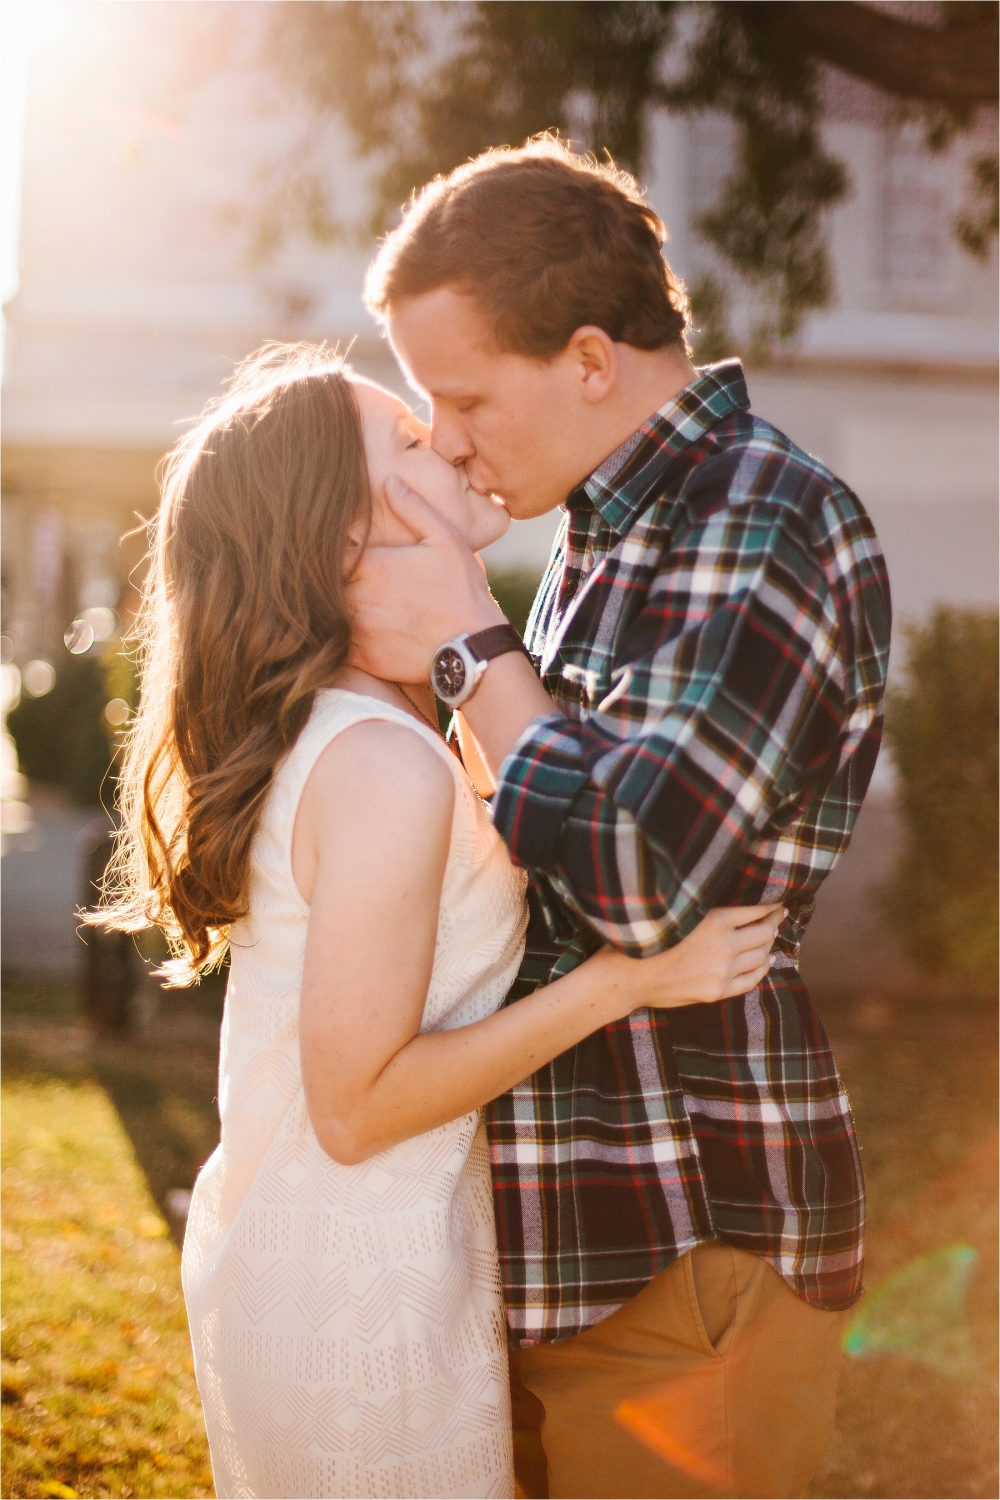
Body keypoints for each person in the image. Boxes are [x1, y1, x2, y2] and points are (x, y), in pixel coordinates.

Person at [94, 342, 782, 1500]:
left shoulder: (390, 723)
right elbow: (356, 1109)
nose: (448, 441)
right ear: (344, 537)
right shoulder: (379, 766)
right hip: (360, 1290)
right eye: (410, 441)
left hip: (369, 1248)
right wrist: (625, 981)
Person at [348, 137, 892, 1499]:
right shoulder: (598, 539)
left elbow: (643, 876)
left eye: (464, 396)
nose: (445, 436)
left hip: (682, 1240)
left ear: (591, 359)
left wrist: (470, 649)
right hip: (566, 1237)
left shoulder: (762, 514)